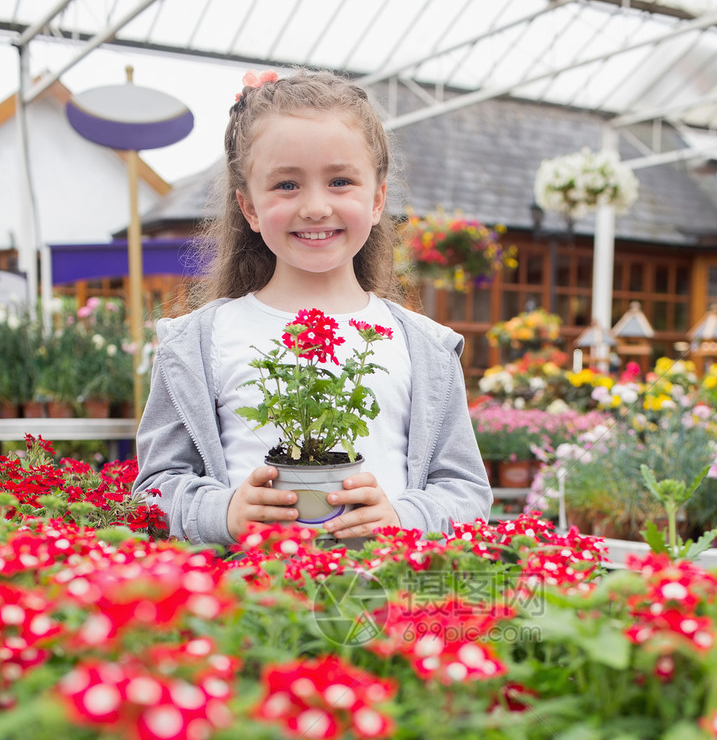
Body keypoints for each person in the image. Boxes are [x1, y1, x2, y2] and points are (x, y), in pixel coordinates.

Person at [133, 67, 492, 545]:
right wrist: (224, 513)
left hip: (379, 604)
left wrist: (403, 520)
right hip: (252, 605)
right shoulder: (196, 342)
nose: (316, 206)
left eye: (341, 181)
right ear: (250, 208)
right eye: (287, 185)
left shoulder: (426, 347)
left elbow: (466, 491)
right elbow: (153, 490)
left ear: (378, 198)